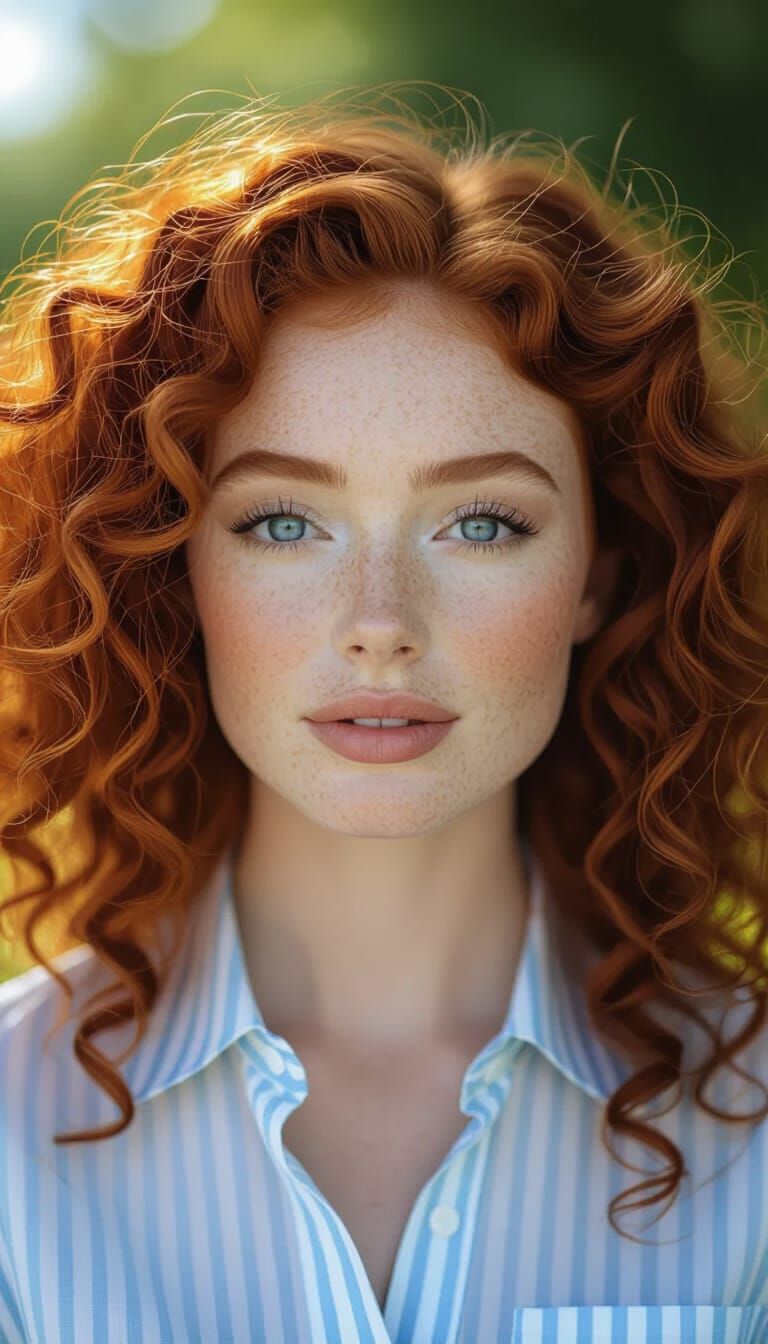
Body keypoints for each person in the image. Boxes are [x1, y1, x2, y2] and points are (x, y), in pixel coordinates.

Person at [0, 84, 766, 1343]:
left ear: (601, 574)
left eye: (484, 524)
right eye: (280, 523)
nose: (379, 621)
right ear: (173, 570)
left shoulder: (752, 1123)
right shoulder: (13, 1133)